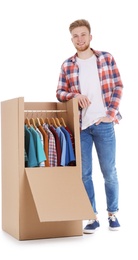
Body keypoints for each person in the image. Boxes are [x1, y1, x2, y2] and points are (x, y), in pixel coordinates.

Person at [56, 19, 123, 234]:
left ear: (90, 36)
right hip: (81, 126)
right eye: (75, 36)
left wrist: (110, 114)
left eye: (83, 34)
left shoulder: (105, 58)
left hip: (103, 124)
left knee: (109, 172)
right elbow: (59, 93)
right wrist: (76, 95)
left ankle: (112, 214)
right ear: (71, 39)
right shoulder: (67, 65)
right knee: (84, 174)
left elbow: (119, 86)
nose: (80, 39)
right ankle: (91, 217)